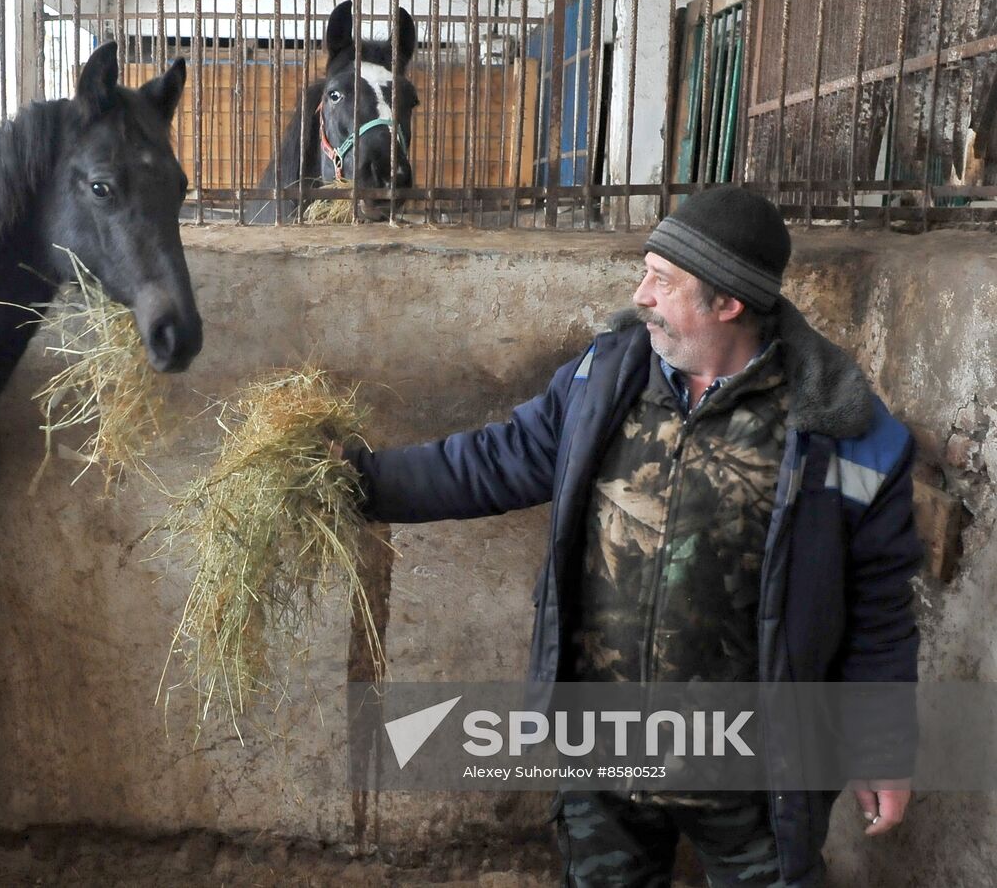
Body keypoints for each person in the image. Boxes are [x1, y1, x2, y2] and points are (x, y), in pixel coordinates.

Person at [342, 186, 922, 887]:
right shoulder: (606, 377)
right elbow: (497, 460)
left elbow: (879, 604)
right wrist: (359, 483)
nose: (640, 295)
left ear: (728, 303)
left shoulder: (842, 430)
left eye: (663, 280)